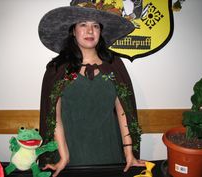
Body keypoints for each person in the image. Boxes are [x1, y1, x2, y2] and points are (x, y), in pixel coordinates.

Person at [38, 0, 145, 176]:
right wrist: (64, 157)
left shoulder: (114, 64)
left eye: (95, 25)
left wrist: (128, 153)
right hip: (71, 155)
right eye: (83, 24)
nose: (90, 30)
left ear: (100, 31)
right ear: (73, 31)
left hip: (110, 153)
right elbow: (53, 116)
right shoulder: (57, 69)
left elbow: (123, 111)